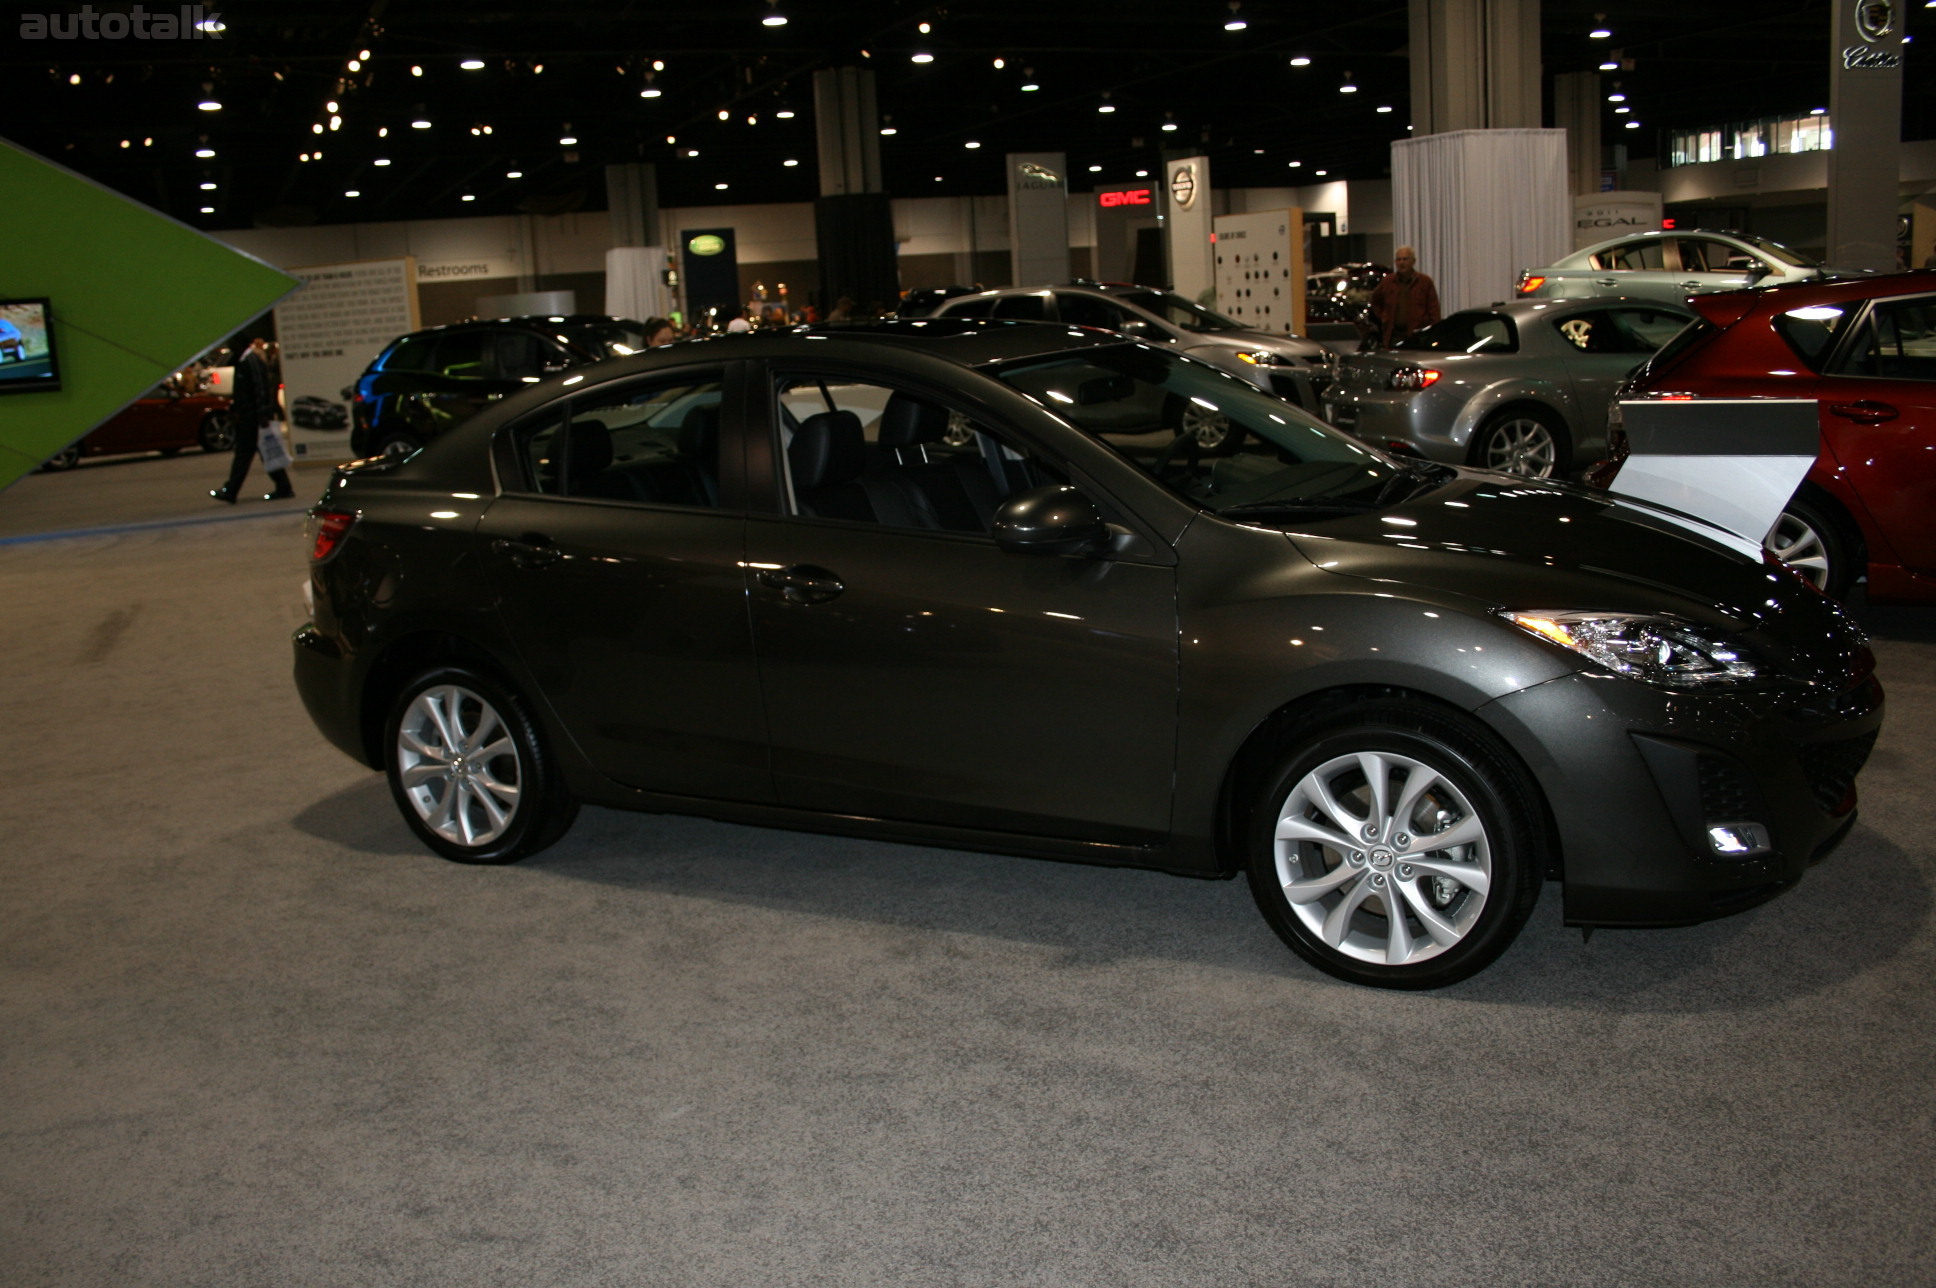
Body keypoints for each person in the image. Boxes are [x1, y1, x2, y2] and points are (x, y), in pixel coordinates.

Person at [209, 336, 292, 503]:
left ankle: (232, 489)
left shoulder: (250, 362)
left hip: (253, 417)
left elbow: (261, 388)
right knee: (262, 452)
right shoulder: (245, 361)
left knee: (247, 453)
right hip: (250, 416)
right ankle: (282, 486)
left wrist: (262, 414)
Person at [1369, 246, 1442, 348]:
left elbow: (1434, 310)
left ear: (1413, 261)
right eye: (1398, 259)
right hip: (1394, 336)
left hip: (1418, 336)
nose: (1402, 263)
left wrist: (1434, 333)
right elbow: (1375, 300)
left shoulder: (1425, 282)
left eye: (1405, 259)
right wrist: (1385, 317)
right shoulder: (1388, 282)